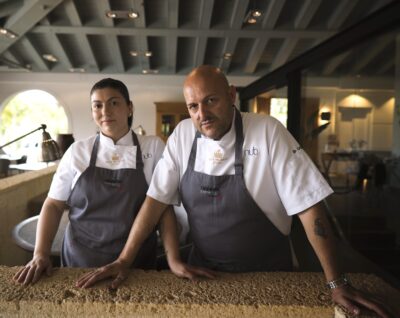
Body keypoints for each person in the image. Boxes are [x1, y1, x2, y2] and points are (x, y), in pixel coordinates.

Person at [76, 67, 395, 317]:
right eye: (193, 106)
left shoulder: (267, 131)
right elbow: (156, 200)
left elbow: (310, 207)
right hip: (203, 274)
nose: (202, 113)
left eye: (211, 100)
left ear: (231, 95)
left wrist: (336, 281)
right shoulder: (183, 135)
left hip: (269, 275)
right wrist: (124, 260)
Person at [13, 78, 166, 284]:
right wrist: (41, 253)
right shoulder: (78, 151)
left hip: (134, 264)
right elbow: (54, 204)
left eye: (114, 103)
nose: (105, 111)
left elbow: (162, 206)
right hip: (81, 261)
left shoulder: (153, 147)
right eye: (97, 105)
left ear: (129, 108)